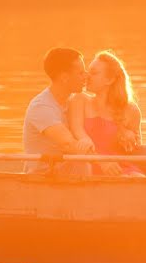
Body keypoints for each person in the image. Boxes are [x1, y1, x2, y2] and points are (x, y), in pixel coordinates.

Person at [68, 50, 146, 177]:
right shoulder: (79, 100)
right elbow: (78, 133)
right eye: (88, 71)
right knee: (124, 179)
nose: (87, 76)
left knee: (139, 176)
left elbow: (135, 151)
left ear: (109, 80)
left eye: (94, 73)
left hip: (120, 166)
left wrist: (129, 138)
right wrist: (102, 162)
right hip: (91, 165)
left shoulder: (131, 110)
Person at [23, 47, 94, 177]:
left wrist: (124, 130)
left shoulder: (75, 101)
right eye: (80, 73)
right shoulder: (42, 107)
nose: (86, 76)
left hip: (66, 171)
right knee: (82, 164)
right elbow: (69, 145)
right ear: (64, 78)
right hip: (45, 176)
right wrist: (105, 162)